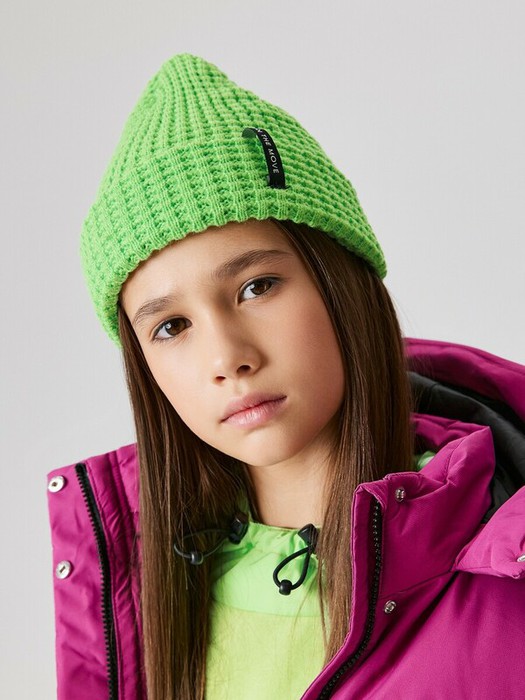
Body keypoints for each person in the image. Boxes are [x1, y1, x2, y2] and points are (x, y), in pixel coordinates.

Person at [46, 53, 525, 700]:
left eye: (257, 287)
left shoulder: (503, 581)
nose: (227, 358)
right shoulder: (137, 592)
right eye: (171, 326)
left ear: (340, 281)